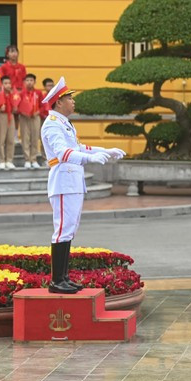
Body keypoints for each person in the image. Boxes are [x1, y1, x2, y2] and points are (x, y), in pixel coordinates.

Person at [40, 77, 124, 294]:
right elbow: (63, 153)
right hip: (63, 180)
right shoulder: (52, 124)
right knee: (62, 229)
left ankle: (63, 278)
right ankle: (56, 281)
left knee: (69, 229)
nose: (73, 101)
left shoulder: (65, 124)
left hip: (73, 181)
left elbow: (79, 147)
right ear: (59, 102)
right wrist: (90, 159)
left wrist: (104, 151)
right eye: (69, 98)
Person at [0, 75, 20, 170]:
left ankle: (9, 160)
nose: (8, 85)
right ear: (2, 84)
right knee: (1, 140)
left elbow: (16, 107)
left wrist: (15, 108)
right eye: (5, 83)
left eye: (9, 83)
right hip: (2, 116)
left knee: (10, 140)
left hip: (11, 116)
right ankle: (2, 161)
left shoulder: (14, 95)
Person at [18, 73, 41, 169]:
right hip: (24, 117)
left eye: (31, 80)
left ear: (34, 82)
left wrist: (38, 112)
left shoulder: (38, 93)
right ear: (24, 82)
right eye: (27, 80)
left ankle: (34, 159)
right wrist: (22, 112)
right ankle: (27, 159)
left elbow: (43, 105)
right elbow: (17, 105)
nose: (29, 82)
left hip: (35, 117)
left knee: (35, 138)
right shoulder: (21, 94)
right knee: (25, 138)